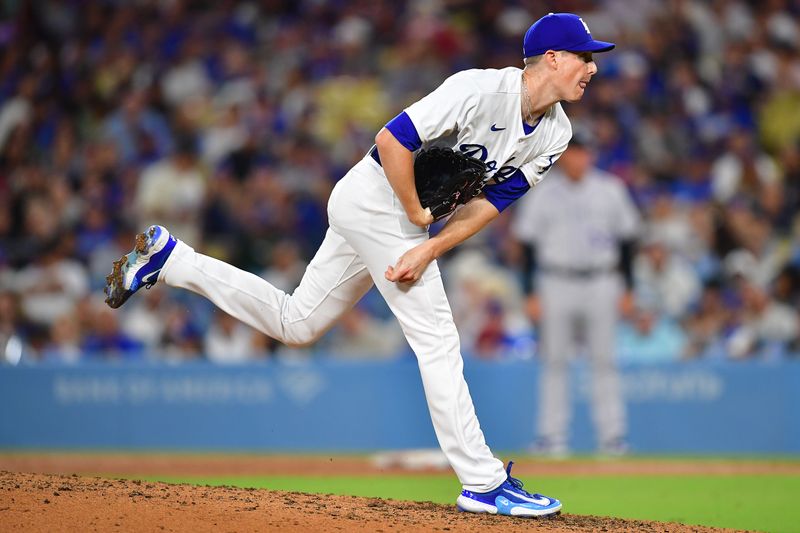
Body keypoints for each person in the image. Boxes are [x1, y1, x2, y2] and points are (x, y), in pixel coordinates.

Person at [104, 12, 615, 519]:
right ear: (552, 57)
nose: (592, 68)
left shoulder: (557, 133)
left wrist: (428, 245)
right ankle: (483, 483)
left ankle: (173, 261)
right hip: (377, 198)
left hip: (394, 218)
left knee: (297, 323)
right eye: (585, 57)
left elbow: (491, 204)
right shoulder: (480, 90)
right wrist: (416, 216)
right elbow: (393, 140)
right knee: (436, 338)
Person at [511, 132, 640, 456]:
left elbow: (627, 242)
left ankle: (613, 437)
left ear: (590, 156)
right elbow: (527, 246)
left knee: (604, 361)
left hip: (602, 280)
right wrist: (530, 292)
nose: (577, 158)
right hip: (556, 280)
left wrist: (629, 288)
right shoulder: (542, 192)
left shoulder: (610, 189)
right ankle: (551, 437)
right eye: (572, 152)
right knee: (554, 360)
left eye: (582, 152)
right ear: (563, 156)